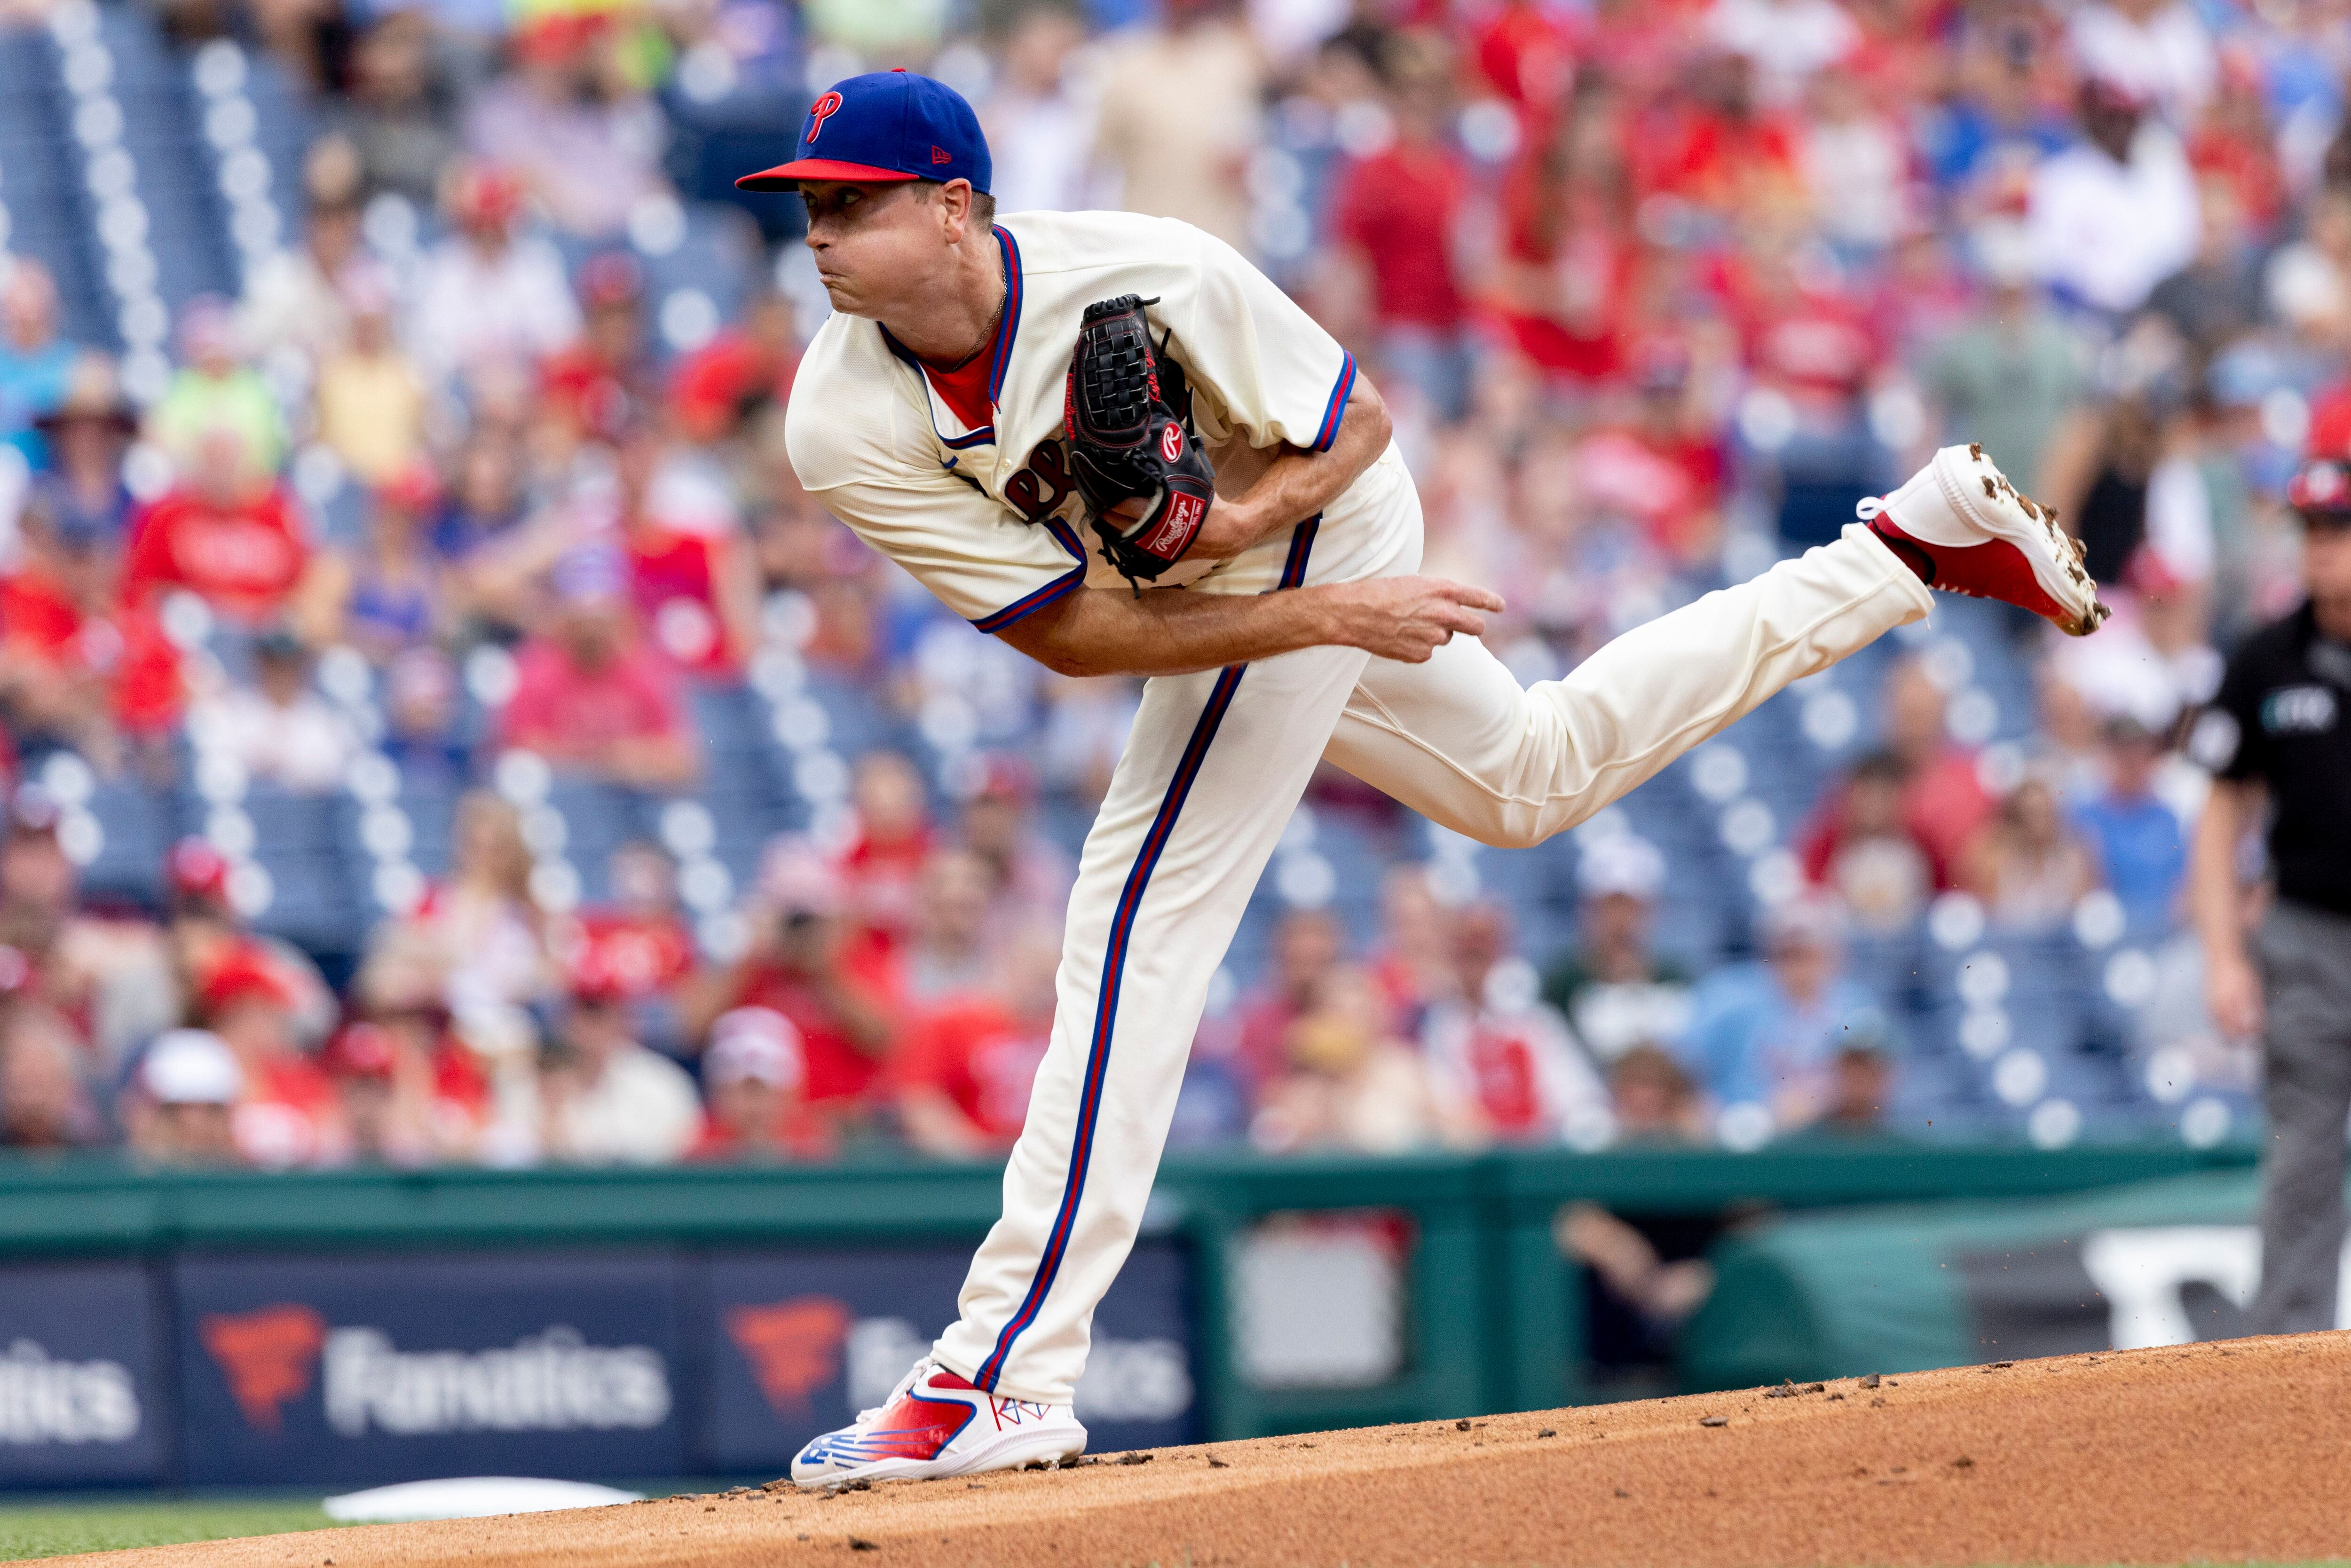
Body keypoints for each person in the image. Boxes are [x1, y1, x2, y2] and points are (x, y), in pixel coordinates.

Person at [743, 69, 2106, 1486]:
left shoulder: (1150, 267)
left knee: (1136, 918)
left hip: (1321, 513)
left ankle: (1006, 1366)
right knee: (1531, 778)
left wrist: (1250, 526)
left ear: (955, 207)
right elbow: (1082, 636)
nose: (819, 233)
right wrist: (1300, 606)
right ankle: (1901, 550)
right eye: (808, 208)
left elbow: (1359, 426)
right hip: (1237, 598)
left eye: (850, 204)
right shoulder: (837, 418)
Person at [2186, 453, 2351, 1334]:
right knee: (2302, 1165)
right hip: (2310, 938)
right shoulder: (2266, 658)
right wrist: (2223, 957)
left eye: (2339, 528)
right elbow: (2219, 814)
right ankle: (2289, 1376)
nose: (2323, 548)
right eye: (2313, 530)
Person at [1540, 835, 1693, 1063]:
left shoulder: (1675, 979)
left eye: (1631, 907)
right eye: (1609, 907)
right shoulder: (1561, 984)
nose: (1620, 920)